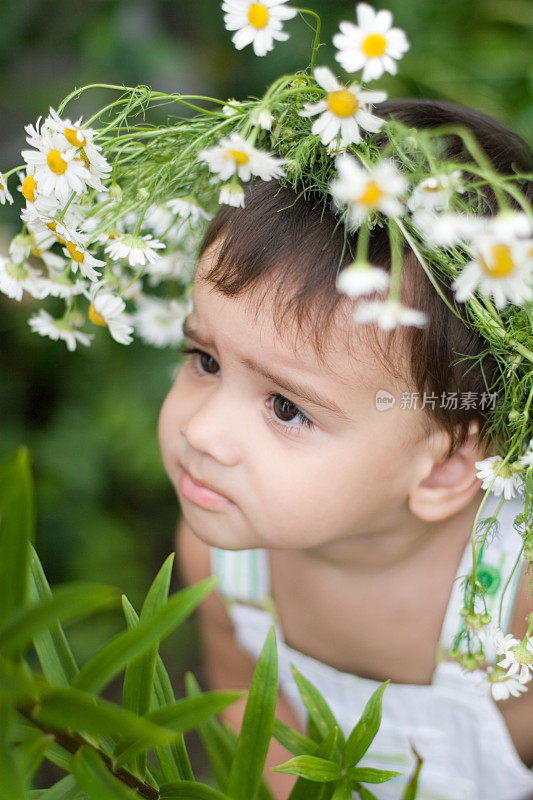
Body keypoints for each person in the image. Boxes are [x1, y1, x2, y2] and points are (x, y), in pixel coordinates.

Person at [158, 98, 533, 800]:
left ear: (448, 467)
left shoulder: (518, 603)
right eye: (204, 360)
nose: (200, 432)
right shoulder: (222, 558)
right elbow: (248, 713)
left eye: (286, 407)